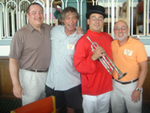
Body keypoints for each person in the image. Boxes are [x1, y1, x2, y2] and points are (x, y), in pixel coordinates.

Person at [9, 3, 52, 106]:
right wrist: (15, 84)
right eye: (34, 13)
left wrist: (77, 30)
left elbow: (64, 32)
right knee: (30, 107)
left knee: (44, 106)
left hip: (48, 75)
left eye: (40, 12)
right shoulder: (21, 34)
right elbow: (13, 60)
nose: (38, 15)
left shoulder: (49, 29)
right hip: (30, 77)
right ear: (27, 16)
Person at [73, 5, 113, 113]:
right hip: (90, 90)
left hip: (106, 87)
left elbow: (119, 47)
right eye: (94, 18)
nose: (97, 21)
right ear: (88, 21)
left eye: (100, 18)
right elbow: (79, 66)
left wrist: (130, 41)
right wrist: (93, 57)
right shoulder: (82, 41)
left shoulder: (107, 37)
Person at [45, 7, 83, 113]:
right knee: (54, 109)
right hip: (53, 82)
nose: (71, 21)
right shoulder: (54, 30)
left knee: (71, 109)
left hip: (72, 82)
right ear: (62, 20)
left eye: (73, 18)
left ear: (77, 20)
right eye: (68, 18)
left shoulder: (80, 37)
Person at [111, 20, 148, 113]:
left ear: (127, 29)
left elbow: (144, 68)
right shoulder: (112, 44)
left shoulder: (137, 45)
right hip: (115, 86)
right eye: (117, 28)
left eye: (123, 28)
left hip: (132, 86)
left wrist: (138, 89)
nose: (120, 31)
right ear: (114, 31)